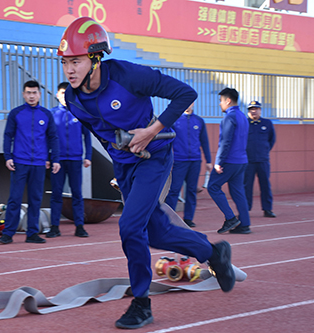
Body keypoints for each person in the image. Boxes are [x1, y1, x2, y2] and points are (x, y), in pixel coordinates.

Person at [57, 17, 236, 329]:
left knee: (130, 227)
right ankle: (214, 252)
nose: (69, 69)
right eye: (65, 62)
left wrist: (152, 130)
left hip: (154, 158)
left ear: (96, 58)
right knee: (156, 233)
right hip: (125, 165)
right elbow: (99, 131)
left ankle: (141, 304)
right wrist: (117, 154)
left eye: (76, 61)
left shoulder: (128, 76)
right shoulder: (72, 100)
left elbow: (185, 94)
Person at [0, 80, 60, 245]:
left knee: (35, 199)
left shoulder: (46, 115)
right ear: (24, 94)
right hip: (19, 162)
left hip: (39, 163)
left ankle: (32, 233)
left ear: (39, 94)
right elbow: (7, 136)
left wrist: (55, 159)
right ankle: (8, 233)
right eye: (28, 93)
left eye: (34, 93)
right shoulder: (16, 113)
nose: (31, 96)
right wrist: (7, 156)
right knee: (15, 198)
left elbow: (53, 137)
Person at [46, 82, 92, 238]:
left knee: (77, 193)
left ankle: (79, 226)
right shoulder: (51, 114)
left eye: (67, 93)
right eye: (61, 93)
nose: (64, 96)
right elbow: (47, 138)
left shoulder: (79, 113)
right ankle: (54, 226)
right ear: (57, 95)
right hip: (57, 160)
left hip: (75, 158)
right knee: (56, 194)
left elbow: (87, 136)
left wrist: (88, 157)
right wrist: (48, 157)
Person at [207, 88, 251, 234]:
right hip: (241, 161)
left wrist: (218, 161)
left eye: (221, 101)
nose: (220, 104)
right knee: (238, 192)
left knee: (213, 186)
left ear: (228, 101)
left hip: (229, 161)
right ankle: (244, 224)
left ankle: (230, 218)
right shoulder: (243, 116)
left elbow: (225, 142)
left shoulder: (229, 117)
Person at [165, 102, 212, 227]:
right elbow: (167, 140)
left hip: (195, 161)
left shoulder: (199, 121)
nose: (187, 105)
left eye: (190, 103)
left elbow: (205, 142)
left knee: (191, 190)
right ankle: (169, 218)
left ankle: (189, 218)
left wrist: (208, 161)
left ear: (193, 103)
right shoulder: (175, 120)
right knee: (174, 190)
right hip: (180, 161)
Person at [244, 101, 276, 218]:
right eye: (251, 109)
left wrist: (264, 151)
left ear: (260, 110)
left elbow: (271, 140)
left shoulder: (267, 123)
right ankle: (245, 209)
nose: (254, 111)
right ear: (248, 111)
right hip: (248, 161)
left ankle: (267, 209)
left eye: (256, 109)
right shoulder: (245, 123)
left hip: (263, 160)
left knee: (265, 185)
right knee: (246, 185)